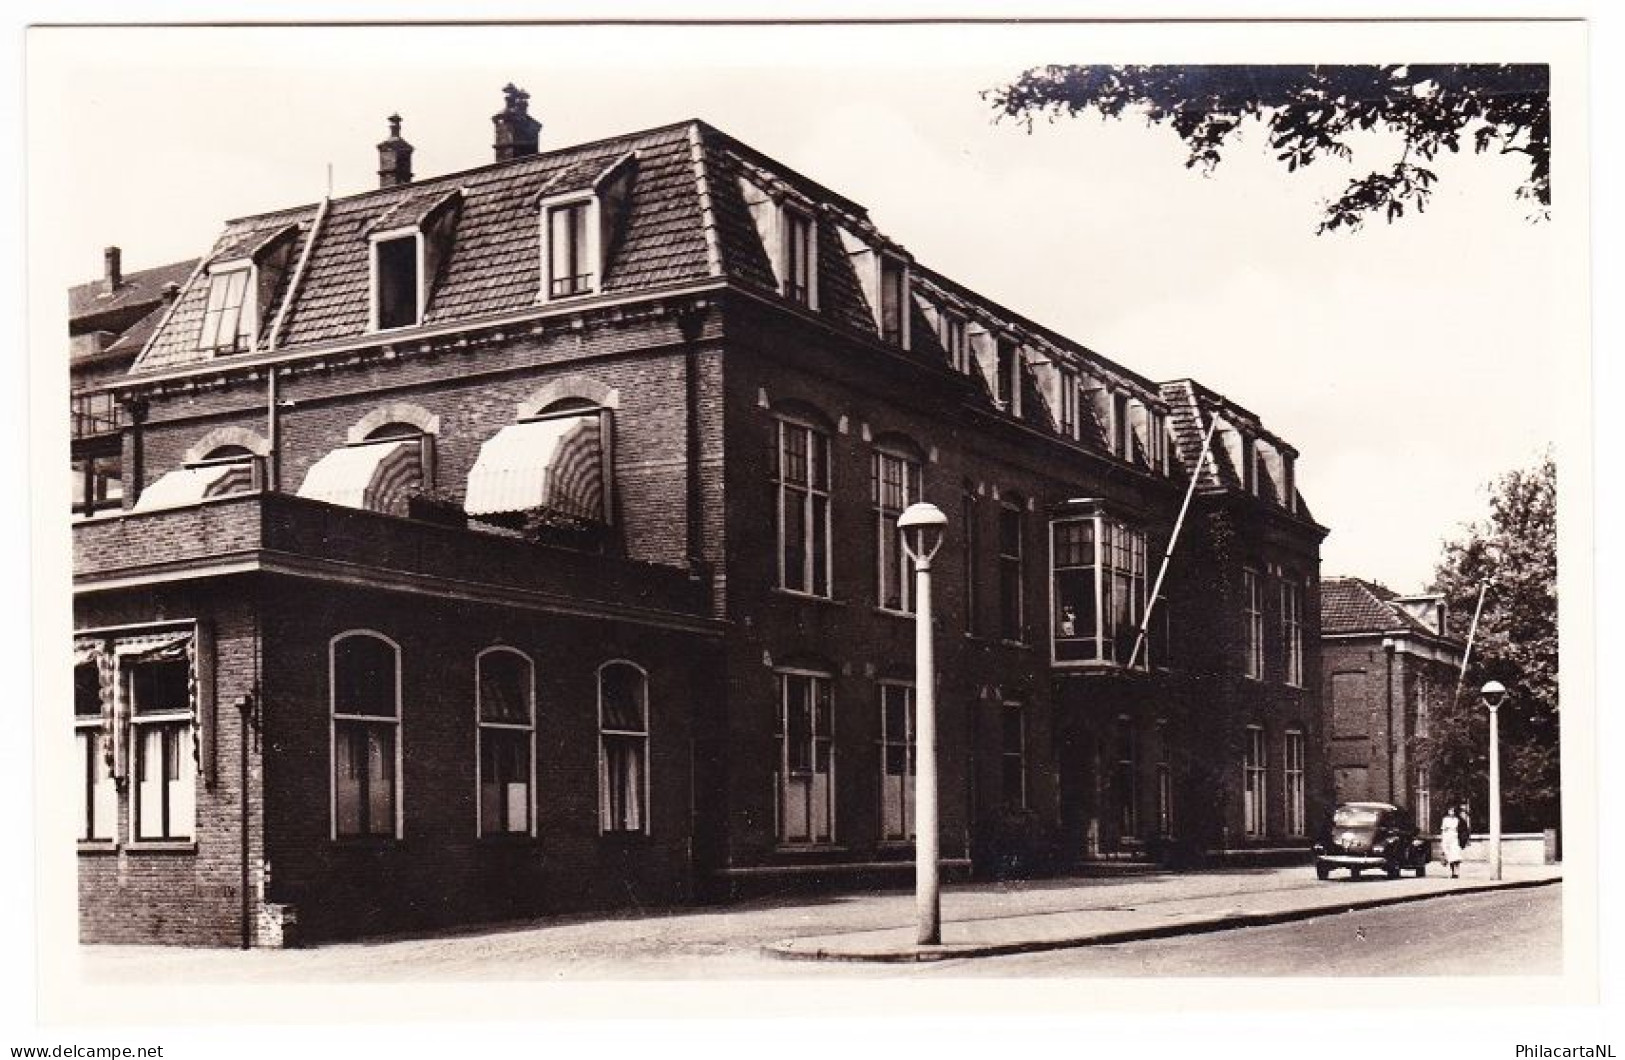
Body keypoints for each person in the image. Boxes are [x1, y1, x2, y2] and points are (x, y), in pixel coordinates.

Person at [1440, 804, 1466, 878]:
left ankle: (1457, 872)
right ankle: (1452, 872)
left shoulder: (1457, 820)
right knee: (1450, 857)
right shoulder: (1445, 819)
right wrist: (1443, 841)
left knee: (1456, 856)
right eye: (1450, 811)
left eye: (1453, 811)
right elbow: (1443, 830)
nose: (1452, 812)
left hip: (1454, 838)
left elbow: (1460, 830)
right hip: (1447, 837)